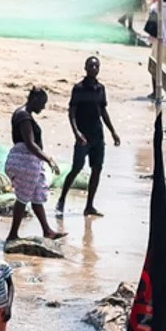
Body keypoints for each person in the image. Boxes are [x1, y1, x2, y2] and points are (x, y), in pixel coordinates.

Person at [59, 57, 119, 217]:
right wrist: (76, 132)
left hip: (98, 135)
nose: (94, 68)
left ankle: (89, 205)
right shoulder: (78, 88)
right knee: (76, 168)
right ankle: (62, 199)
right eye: (91, 65)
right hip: (82, 136)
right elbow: (71, 112)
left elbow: (103, 111)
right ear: (85, 67)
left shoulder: (100, 88)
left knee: (97, 169)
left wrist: (113, 131)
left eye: (96, 66)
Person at [3, 87, 62, 243]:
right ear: (34, 100)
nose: (43, 107)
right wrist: (48, 159)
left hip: (30, 161)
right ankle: (13, 234)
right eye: (42, 103)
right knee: (22, 198)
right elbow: (30, 143)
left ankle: (47, 231)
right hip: (24, 161)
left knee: (36, 196)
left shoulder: (24, 114)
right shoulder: (23, 116)